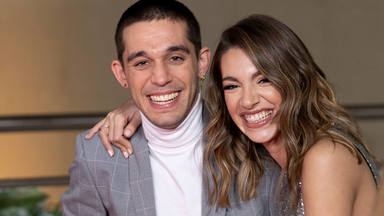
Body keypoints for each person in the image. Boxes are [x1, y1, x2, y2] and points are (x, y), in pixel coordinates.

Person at [89, 14, 380, 215]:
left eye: (264, 79)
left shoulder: (324, 157)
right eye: (232, 86)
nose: (248, 101)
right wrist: (141, 106)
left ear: (295, 79)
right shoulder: (276, 159)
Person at [61, 1, 283, 215]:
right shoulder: (96, 157)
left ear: (202, 62)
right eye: (141, 63)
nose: (160, 78)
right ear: (121, 74)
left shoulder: (255, 138)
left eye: (175, 58)